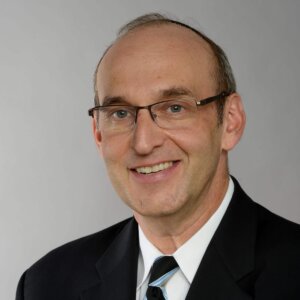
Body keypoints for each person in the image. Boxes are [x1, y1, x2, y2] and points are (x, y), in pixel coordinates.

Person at [16, 13, 300, 300]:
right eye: (120, 113)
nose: (144, 142)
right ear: (98, 134)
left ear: (230, 121)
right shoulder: (47, 285)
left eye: (174, 108)